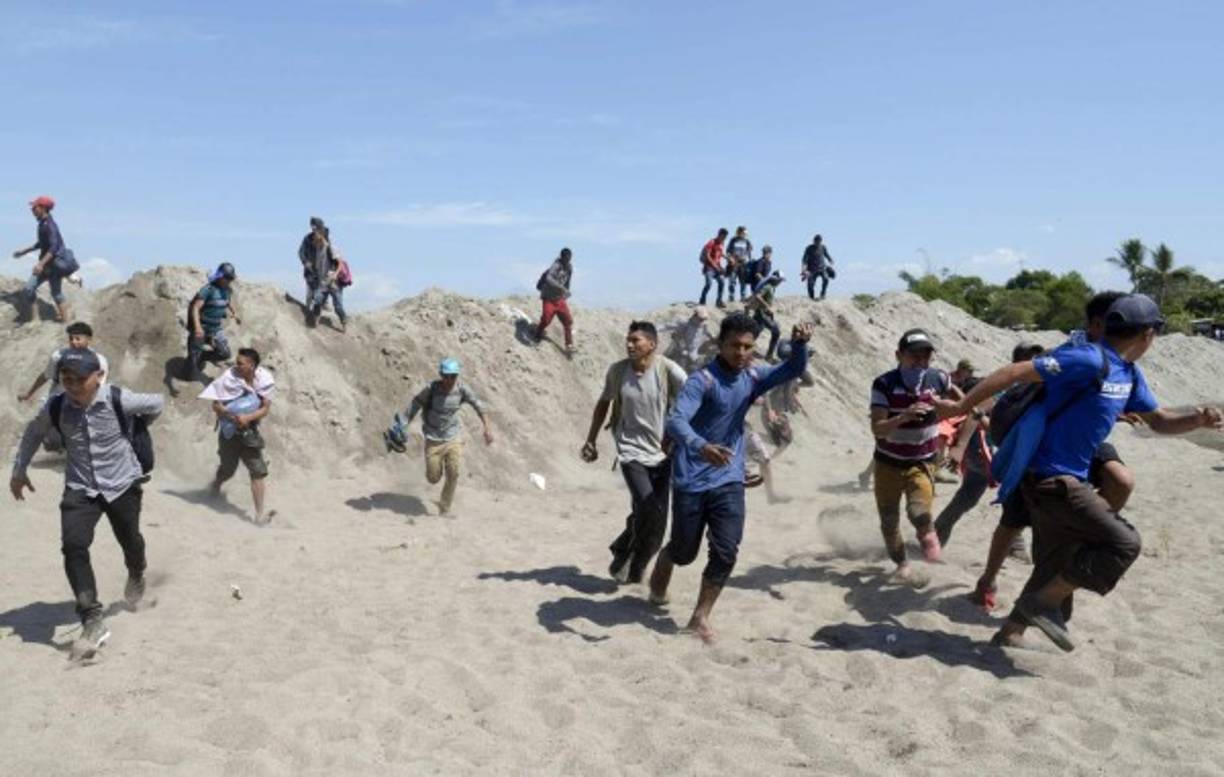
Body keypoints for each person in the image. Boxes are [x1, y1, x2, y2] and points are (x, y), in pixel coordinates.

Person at [954, 294, 1223, 652]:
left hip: (1070, 478)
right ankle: (1038, 605)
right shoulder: (1087, 358)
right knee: (1124, 543)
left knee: (1055, 563)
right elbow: (1014, 372)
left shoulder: (1128, 374)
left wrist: (1197, 420)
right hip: (1049, 479)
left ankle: (1011, 632)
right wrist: (959, 407)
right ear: (1147, 334)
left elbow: (1159, 421)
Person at [968, 294, 1141, 613]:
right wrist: (964, 408)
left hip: (1084, 443)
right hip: (1047, 443)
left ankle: (1080, 532)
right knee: (1014, 519)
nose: (1125, 329)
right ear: (1097, 324)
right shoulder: (1077, 353)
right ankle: (987, 581)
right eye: (1118, 322)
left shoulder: (1122, 361)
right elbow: (1018, 378)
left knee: (1122, 479)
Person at [648, 313, 814, 642]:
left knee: (726, 551)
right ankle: (664, 566)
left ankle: (700, 617)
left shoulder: (752, 375)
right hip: (691, 479)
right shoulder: (702, 381)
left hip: (728, 478)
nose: (741, 353)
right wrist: (700, 445)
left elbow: (793, 370)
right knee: (684, 553)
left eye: (747, 347)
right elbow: (677, 422)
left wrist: (799, 346)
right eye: (734, 346)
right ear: (720, 344)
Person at [10, 348, 164, 659]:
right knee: (73, 546)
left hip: (122, 484)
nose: (73, 384)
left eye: (80, 379)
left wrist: (136, 427)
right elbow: (34, 432)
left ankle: (136, 575)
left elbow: (157, 402)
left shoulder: (119, 398)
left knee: (130, 540)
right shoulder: (56, 406)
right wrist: (19, 469)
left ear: (98, 377)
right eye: (67, 379)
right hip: (80, 487)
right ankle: (91, 617)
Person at [582, 321, 687, 583]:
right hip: (629, 450)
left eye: (636, 340)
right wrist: (591, 440)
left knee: (657, 523)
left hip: (662, 452)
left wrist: (680, 435)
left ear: (652, 344)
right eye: (628, 340)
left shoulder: (668, 370)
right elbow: (603, 403)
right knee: (647, 506)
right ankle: (626, 553)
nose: (629, 345)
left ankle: (630, 561)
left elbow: (694, 398)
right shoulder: (617, 371)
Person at [869, 328, 960, 581]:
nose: (920, 363)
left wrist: (955, 409)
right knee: (889, 521)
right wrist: (903, 417)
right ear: (899, 355)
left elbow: (961, 401)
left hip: (922, 461)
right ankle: (901, 564)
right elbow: (877, 429)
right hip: (888, 462)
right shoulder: (884, 384)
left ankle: (928, 541)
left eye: (925, 357)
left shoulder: (939, 378)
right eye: (913, 357)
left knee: (919, 512)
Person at [393, 358, 494, 516]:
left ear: (457, 376)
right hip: (433, 440)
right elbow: (416, 403)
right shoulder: (431, 389)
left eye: (453, 376)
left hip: (453, 438)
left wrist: (487, 428)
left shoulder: (462, 390)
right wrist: (404, 422)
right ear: (441, 375)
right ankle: (435, 478)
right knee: (433, 478)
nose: (449, 380)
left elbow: (478, 406)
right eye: (446, 376)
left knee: (454, 472)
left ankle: (444, 507)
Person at [202, 348, 275, 523]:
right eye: (237, 362)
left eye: (241, 363)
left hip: (249, 432)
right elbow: (215, 404)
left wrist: (248, 417)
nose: (237, 365)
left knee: (257, 472)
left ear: (251, 365)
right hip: (228, 432)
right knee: (228, 470)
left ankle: (259, 515)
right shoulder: (230, 378)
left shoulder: (264, 381)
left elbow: (265, 408)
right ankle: (215, 486)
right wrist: (223, 411)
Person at [11, 195, 77, 323]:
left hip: (54, 267)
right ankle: (35, 319)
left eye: (34, 207)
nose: (32, 210)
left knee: (56, 294)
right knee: (29, 288)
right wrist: (24, 251)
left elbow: (53, 247)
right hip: (47, 265)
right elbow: (41, 243)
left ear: (43, 208)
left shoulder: (50, 225)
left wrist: (40, 264)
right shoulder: (42, 224)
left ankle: (66, 322)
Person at [18, 321, 110, 404]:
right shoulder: (58, 356)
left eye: (78, 339)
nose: (73, 342)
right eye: (71, 338)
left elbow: (100, 387)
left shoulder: (99, 360)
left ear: (89, 339)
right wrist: (29, 393)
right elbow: (46, 376)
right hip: (58, 402)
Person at [187, 262, 241, 377]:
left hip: (215, 328)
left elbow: (227, 302)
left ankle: (203, 356)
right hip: (202, 327)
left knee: (225, 354)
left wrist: (234, 313)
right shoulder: (208, 289)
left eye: (231, 278)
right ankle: (191, 363)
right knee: (190, 368)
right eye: (227, 278)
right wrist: (197, 328)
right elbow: (195, 307)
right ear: (220, 276)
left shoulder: (227, 290)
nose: (229, 281)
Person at [535, 248, 575, 355]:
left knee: (568, 321)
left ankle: (569, 345)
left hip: (559, 299)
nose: (568, 261)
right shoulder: (556, 266)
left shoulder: (569, 268)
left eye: (569, 259)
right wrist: (561, 288)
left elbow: (567, 282)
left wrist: (566, 292)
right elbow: (548, 278)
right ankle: (538, 332)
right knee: (546, 319)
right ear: (562, 258)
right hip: (549, 298)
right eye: (566, 259)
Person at [746, 272, 785, 360]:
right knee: (776, 331)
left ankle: (745, 347)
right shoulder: (768, 287)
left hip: (763, 313)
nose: (780, 283)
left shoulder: (771, 288)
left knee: (756, 332)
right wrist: (767, 306)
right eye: (780, 281)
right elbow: (758, 296)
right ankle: (769, 355)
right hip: (762, 313)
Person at [308, 249, 349, 333]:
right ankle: (316, 321)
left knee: (338, 306)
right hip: (324, 282)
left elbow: (340, 263)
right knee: (318, 300)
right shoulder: (317, 253)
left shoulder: (331, 249)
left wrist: (336, 274)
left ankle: (344, 321)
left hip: (335, 283)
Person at [670, 306, 714, 373]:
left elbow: (710, 335)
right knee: (681, 371)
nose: (702, 321)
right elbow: (674, 333)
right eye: (700, 319)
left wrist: (714, 340)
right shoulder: (686, 324)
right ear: (695, 316)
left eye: (703, 319)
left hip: (694, 354)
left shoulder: (704, 326)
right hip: (683, 353)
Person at [298, 217, 330, 302]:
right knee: (310, 293)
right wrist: (305, 262)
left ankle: (322, 303)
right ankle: (309, 310)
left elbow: (330, 254)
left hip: (323, 271)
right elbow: (301, 251)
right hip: (311, 270)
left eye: (315, 227)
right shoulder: (307, 238)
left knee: (321, 292)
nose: (313, 229)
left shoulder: (325, 237)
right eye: (312, 227)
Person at [699, 228, 728, 308]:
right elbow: (707, 255)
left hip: (717, 268)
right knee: (708, 284)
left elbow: (721, 253)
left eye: (725, 237)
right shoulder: (711, 242)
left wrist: (728, 258)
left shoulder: (722, 243)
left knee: (722, 282)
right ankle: (702, 300)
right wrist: (714, 265)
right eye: (723, 237)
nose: (724, 238)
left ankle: (719, 301)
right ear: (719, 234)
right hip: (709, 268)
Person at [801, 234, 835, 301]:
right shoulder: (809, 248)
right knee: (810, 284)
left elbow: (826, 255)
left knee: (826, 279)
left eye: (819, 241)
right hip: (812, 269)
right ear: (814, 241)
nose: (817, 243)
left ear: (821, 241)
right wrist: (804, 270)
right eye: (816, 241)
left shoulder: (823, 247)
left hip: (822, 268)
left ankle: (822, 294)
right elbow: (804, 260)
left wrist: (830, 260)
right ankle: (811, 297)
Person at [726, 226, 753, 302]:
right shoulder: (733, 240)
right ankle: (731, 296)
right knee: (732, 280)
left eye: (745, 233)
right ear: (739, 232)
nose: (745, 234)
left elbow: (749, 252)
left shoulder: (747, 241)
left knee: (743, 281)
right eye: (744, 232)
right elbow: (728, 251)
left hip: (743, 264)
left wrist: (749, 261)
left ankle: (743, 297)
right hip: (734, 263)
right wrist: (730, 258)